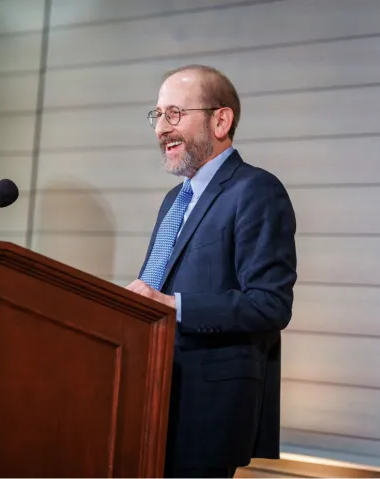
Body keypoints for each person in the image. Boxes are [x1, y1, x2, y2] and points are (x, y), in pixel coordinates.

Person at [126, 64, 297, 478]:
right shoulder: (174, 199)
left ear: (220, 120)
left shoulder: (256, 189)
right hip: (151, 398)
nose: (161, 129)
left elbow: (270, 304)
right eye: (157, 116)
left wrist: (172, 305)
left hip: (205, 411)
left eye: (174, 114)